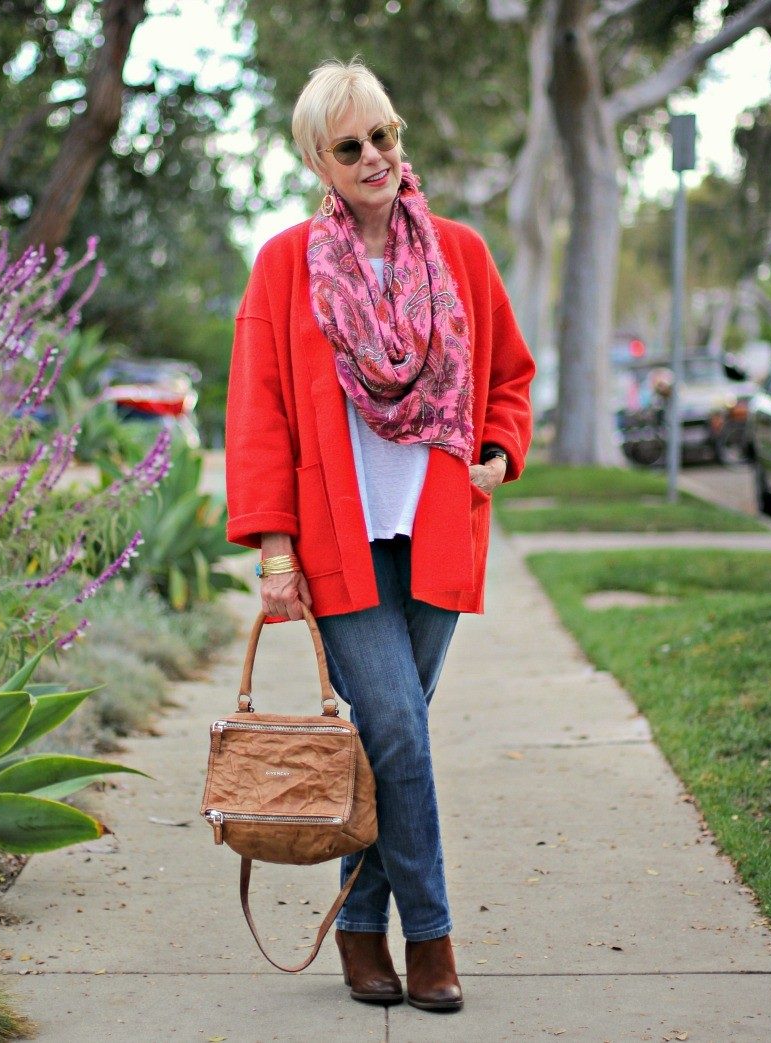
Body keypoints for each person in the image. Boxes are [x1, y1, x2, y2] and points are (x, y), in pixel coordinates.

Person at [225, 57, 535, 1013]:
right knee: (397, 732)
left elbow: (510, 377)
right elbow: (259, 411)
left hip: (438, 527)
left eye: (386, 136)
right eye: (351, 145)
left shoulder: (461, 253)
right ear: (319, 159)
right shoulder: (285, 265)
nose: (376, 157)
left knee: (387, 742)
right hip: (338, 542)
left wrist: (495, 453)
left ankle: (360, 932)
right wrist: (275, 550)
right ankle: (430, 938)